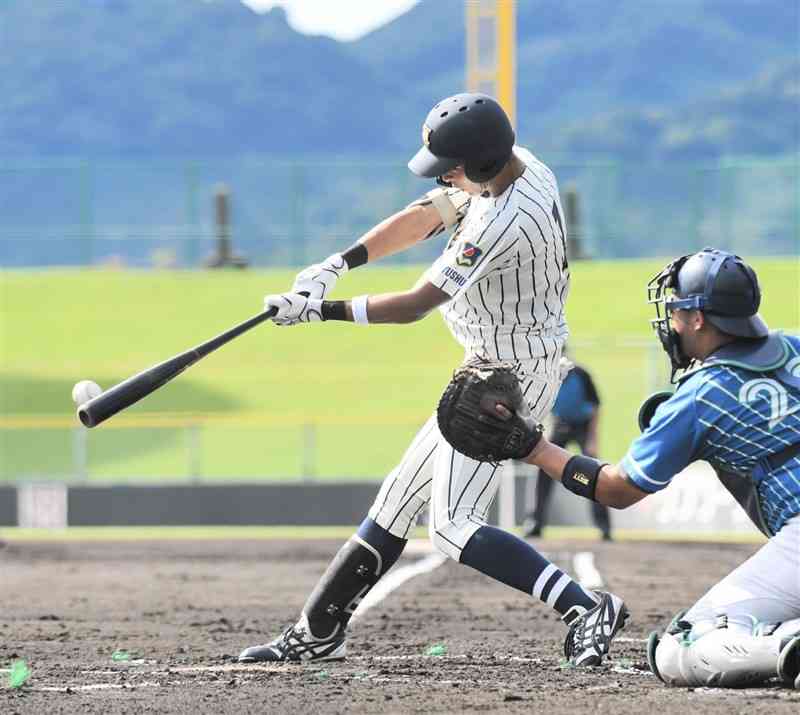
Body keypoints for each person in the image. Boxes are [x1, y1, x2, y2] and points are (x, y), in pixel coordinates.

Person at [237, 93, 627, 667]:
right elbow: (430, 213)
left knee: (452, 527)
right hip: (489, 362)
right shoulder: (514, 166)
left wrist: (322, 311)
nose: (444, 175)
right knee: (397, 499)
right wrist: (337, 264)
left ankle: (585, 607)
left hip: (511, 377)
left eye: (451, 166)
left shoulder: (502, 220)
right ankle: (317, 630)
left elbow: (416, 303)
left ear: (483, 163)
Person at [454, 247, 800, 688]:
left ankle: (784, 647)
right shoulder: (793, 344)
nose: (670, 318)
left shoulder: (701, 396)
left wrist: (536, 449)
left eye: (675, 307)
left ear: (698, 319)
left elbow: (617, 489)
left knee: (681, 646)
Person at [523, 353, 612, 540]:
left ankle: (603, 526)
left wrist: (592, 440)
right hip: (560, 424)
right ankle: (535, 523)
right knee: (542, 470)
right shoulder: (544, 376)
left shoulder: (580, 374)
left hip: (583, 426)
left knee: (594, 473)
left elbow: (596, 406)